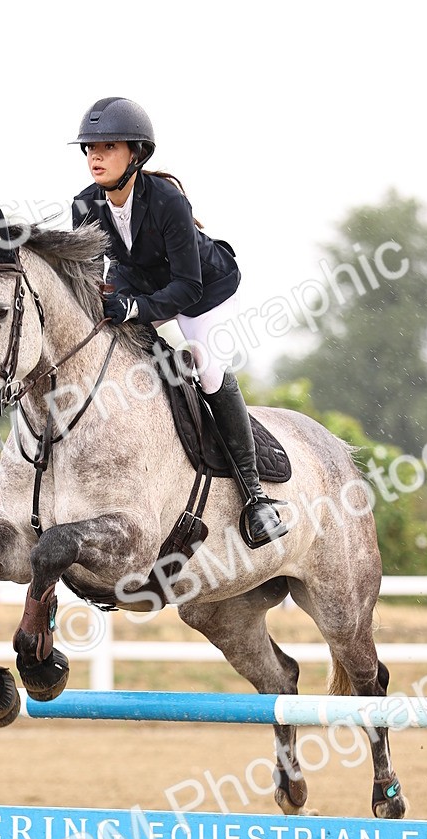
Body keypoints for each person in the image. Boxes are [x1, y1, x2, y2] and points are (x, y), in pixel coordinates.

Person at [69, 96, 287, 548]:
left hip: (205, 291)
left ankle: (255, 497)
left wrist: (133, 309)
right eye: (90, 147)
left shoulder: (167, 201)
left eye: (108, 146)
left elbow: (186, 288)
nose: (95, 155)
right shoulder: (84, 205)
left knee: (206, 369)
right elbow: (99, 271)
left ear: (136, 154)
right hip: (146, 289)